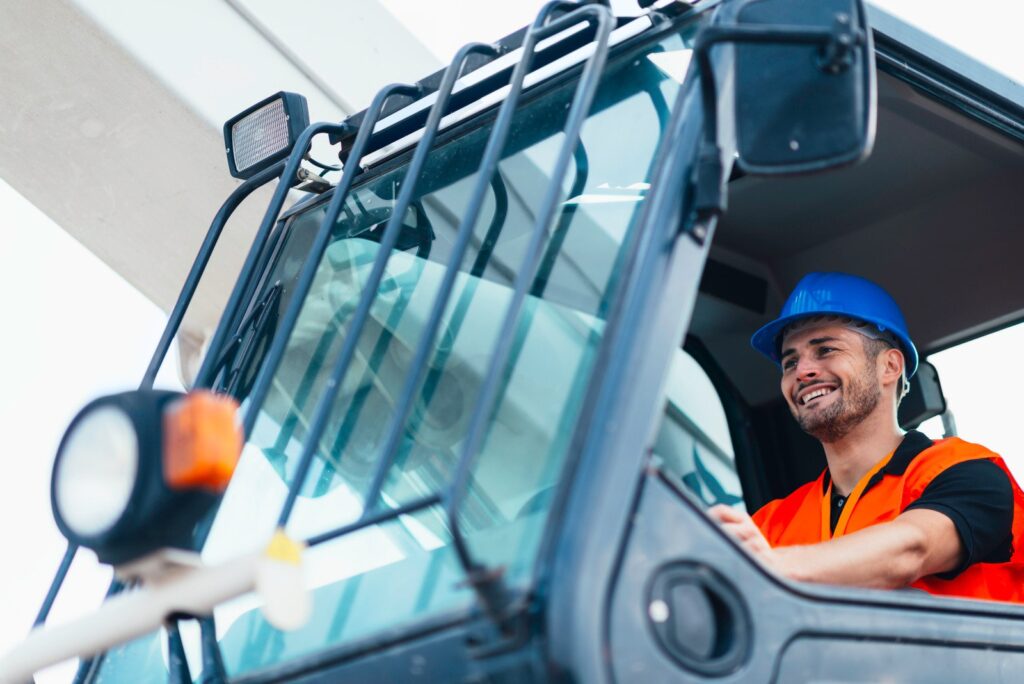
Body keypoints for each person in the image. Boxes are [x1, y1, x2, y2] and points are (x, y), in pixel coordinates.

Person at [709, 272, 1024, 603]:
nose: (802, 372)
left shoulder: (969, 473)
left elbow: (912, 548)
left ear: (889, 366)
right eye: (790, 363)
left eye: (826, 349)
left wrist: (771, 569)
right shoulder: (771, 524)